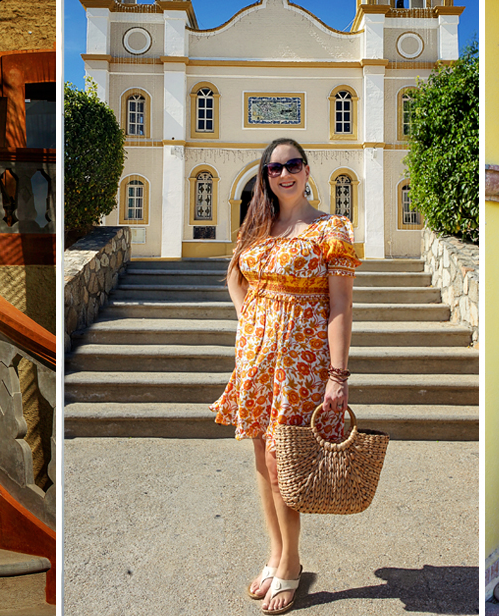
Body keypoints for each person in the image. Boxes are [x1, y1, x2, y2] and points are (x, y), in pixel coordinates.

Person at [211, 138, 359, 614]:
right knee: (261, 453)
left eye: (293, 164)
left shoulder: (329, 229)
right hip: (257, 360)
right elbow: (235, 276)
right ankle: (274, 553)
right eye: (275, 168)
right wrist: (249, 319)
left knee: (283, 463)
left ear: (307, 170)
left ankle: (291, 564)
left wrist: (338, 374)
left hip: (302, 364)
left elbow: (340, 306)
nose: (284, 173)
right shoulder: (256, 226)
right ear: (266, 176)